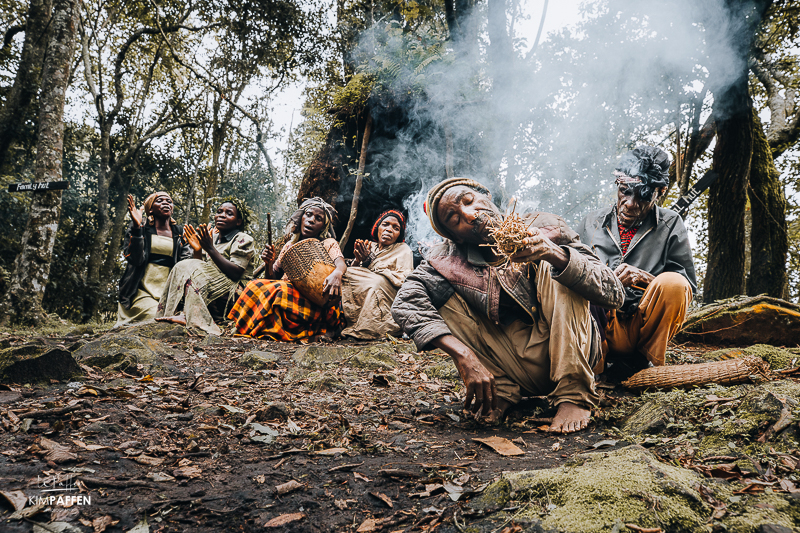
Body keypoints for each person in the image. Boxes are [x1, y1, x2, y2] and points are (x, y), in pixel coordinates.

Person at [391, 178, 624, 433]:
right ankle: (500, 391)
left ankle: (573, 395)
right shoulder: (445, 258)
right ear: (453, 236)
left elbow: (614, 293)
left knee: (554, 262)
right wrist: (463, 355)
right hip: (509, 363)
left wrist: (552, 253)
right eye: (454, 219)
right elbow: (405, 303)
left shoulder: (545, 226)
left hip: (566, 347)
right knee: (438, 290)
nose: (469, 215)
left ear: (486, 196)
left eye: (469, 201)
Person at [577, 146, 696, 373]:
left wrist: (645, 278)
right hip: (600, 327)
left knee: (674, 283)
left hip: (643, 326)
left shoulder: (671, 224)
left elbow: (686, 286)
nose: (630, 203)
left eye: (642, 195)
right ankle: (593, 371)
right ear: (618, 186)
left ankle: (649, 364)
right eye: (625, 191)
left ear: (659, 192)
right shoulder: (591, 222)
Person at [227, 198, 347, 342]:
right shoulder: (288, 247)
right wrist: (269, 263)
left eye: (318, 218)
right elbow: (271, 279)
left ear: (323, 227)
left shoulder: (328, 243)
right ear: (301, 218)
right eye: (308, 214)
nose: (311, 220)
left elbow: (341, 263)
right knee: (254, 285)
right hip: (289, 298)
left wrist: (337, 274)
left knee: (280, 291)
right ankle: (247, 326)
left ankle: (318, 330)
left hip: (317, 303)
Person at [156, 198, 256, 335]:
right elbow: (199, 266)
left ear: (238, 221)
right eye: (219, 212)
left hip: (235, 291)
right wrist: (198, 250)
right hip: (213, 287)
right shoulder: (211, 238)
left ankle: (188, 315)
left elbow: (236, 273)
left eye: (229, 213)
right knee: (181, 266)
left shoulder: (242, 239)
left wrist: (210, 249)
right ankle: (172, 311)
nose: (221, 215)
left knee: (192, 267)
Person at [115, 192, 192, 327]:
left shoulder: (180, 232)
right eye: (160, 201)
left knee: (177, 317)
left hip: (168, 290)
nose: (166, 203)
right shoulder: (141, 227)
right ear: (150, 209)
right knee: (157, 317)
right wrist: (137, 228)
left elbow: (186, 264)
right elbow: (136, 259)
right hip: (141, 289)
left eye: (169, 201)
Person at [341, 210, 414, 339]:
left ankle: (367, 329)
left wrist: (371, 261)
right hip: (366, 288)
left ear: (399, 235)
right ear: (377, 228)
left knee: (375, 282)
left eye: (395, 228)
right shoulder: (370, 246)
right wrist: (357, 262)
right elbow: (355, 276)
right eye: (385, 224)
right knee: (342, 274)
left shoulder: (403, 249)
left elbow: (404, 280)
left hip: (388, 293)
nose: (389, 229)